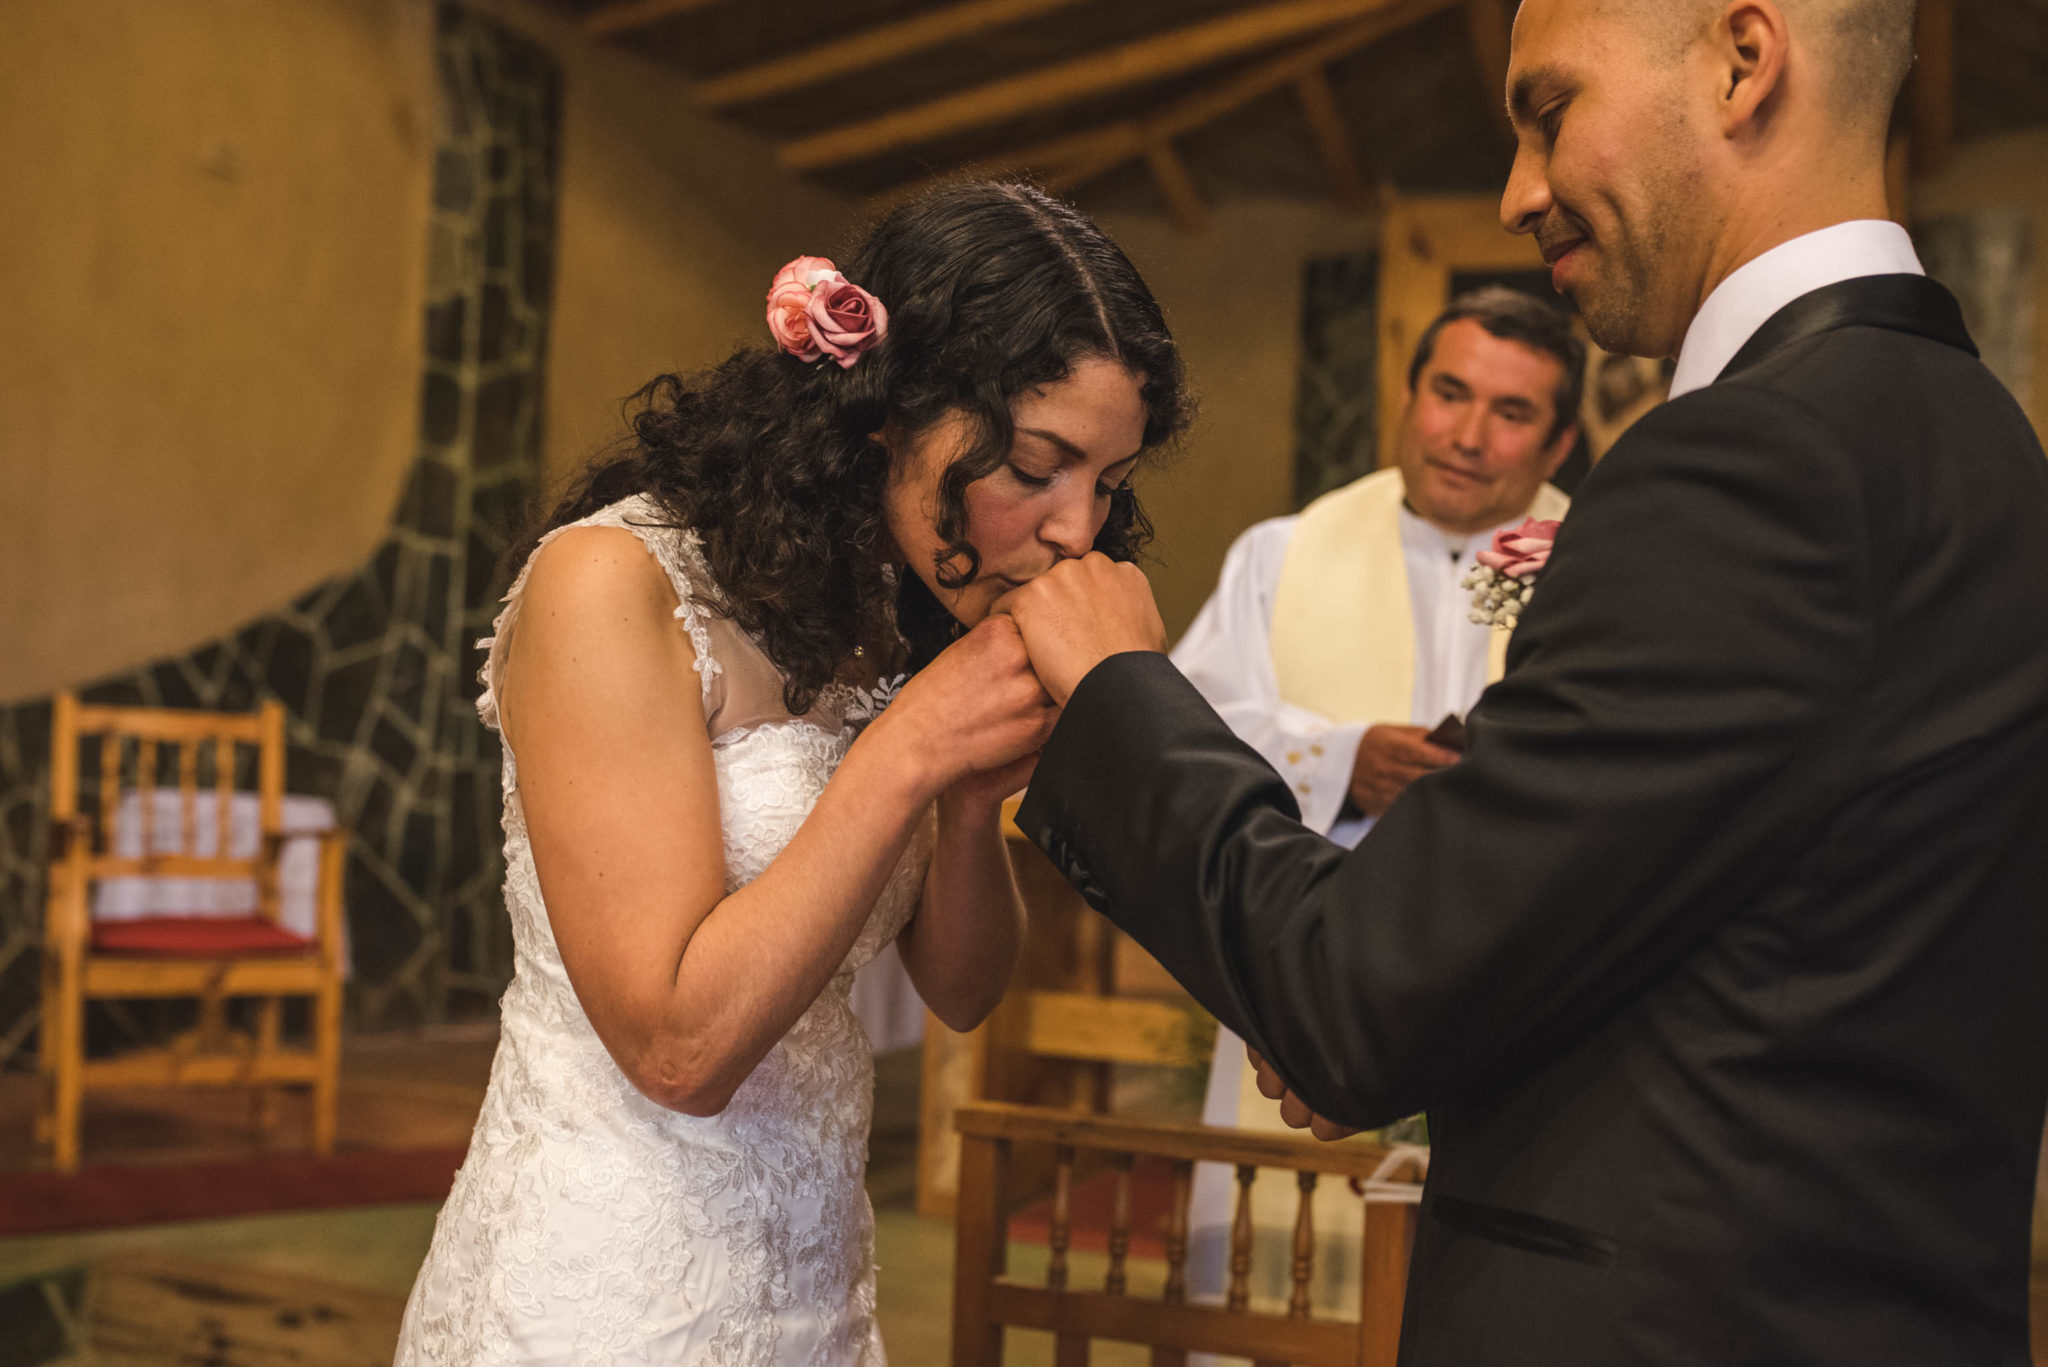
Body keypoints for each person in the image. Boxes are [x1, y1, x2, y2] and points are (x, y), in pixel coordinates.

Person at [997, 1, 2048, 1363]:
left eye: (1548, 112)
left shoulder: (1759, 463)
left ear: (1743, 61)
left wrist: (1119, 688)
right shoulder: (1980, 440)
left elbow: (1352, 994)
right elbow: (1724, 934)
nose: (1517, 193)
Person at [394, 181, 1190, 1365]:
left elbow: (962, 990)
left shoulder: (887, 605)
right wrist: (912, 744)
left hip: (817, 1290)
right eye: (1036, 464)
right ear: (886, 411)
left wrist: (968, 798)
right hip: (604, 1293)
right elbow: (678, 1049)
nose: (1076, 527)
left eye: (1108, 484)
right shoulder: (613, 587)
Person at [1172, 287, 1579, 1313]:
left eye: (1511, 411)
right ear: (1406, 393)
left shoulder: (1595, 567)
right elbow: (1185, 741)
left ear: (1559, 439)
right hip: (1310, 964)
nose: (1467, 435)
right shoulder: (1282, 554)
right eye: (1448, 393)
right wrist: (1337, 757)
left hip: (1521, 988)